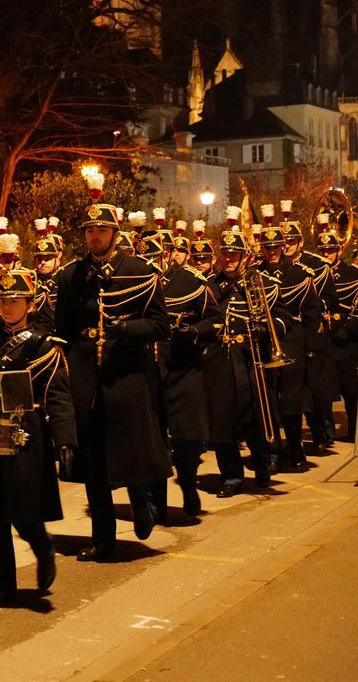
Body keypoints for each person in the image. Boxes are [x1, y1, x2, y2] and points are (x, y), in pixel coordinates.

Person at [53, 195, 171, 562]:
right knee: (92, 462)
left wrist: (125, 329)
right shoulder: (71, 275)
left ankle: (141, 504)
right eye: (89, 231)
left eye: (101, 230)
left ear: (115, 233)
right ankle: (103, 538)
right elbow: (63, 328)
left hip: (126, 374)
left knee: (130, 450)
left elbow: (160, 325)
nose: (94, 237)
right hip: (87, 377)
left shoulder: (139, 271)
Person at [0, 268, 76, 607]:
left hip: (26, 437)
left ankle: (43, 548)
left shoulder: (43, 345)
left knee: (24, 515)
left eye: (14, 301)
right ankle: (1, 585)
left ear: (30, 303)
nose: (7, 307)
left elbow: (57, 396)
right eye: (2, 300)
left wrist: (65, 439)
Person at [136, 231, 218, 519]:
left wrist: (194, 331)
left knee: (188, 436)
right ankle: (156, 500)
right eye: (145, 257)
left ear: (168, 254)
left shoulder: (191, 281)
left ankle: (187, 483)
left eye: (155, 257)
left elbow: (215, 319)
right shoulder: (134, 283)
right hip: (148, 370)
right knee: (153, 438)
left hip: (184, 367)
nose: (151, 263)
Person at [204, 228, 290, 495]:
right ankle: (231, 476)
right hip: (219, 360)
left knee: (254, 418)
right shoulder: (209, 285)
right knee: (222, 421)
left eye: (234, 255)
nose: (228, 259)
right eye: (225, 254)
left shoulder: (263, 284)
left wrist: (268, 329)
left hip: (250, 359)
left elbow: (285, 318)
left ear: (245, 257)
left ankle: (262, 463)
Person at [255, 210, 321, 471]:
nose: (271, 252)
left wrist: (311, 348)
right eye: (267, 247)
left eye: (275, 247)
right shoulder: (254, 273)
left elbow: (312, 313)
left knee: (291, 401)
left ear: (283, 247)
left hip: (292, 339)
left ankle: (295, 449)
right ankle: (272, 451)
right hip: (263, 341)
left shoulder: (300, 274)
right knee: (267, 400)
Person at [282, 205, 339, 450]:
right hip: (290, 332)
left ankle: (323, 433)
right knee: (297, 390)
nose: (288, 247)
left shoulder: (316, 265)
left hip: (311, 329)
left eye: (292, 242)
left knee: (315, 387)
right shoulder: (280, 268)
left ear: (301, 241)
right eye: (285, 243)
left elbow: (329, 299)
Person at [319, 230, 358, 441]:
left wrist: (347, 330)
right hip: (324, 336)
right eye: (323, 250)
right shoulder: (316, 273)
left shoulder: (353, 273)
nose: (326, 254)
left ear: (339, 250)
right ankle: (327, 432)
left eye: (330, 250)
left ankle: (353, 430)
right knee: (324, 387)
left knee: (350, 388)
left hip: (346, 339)